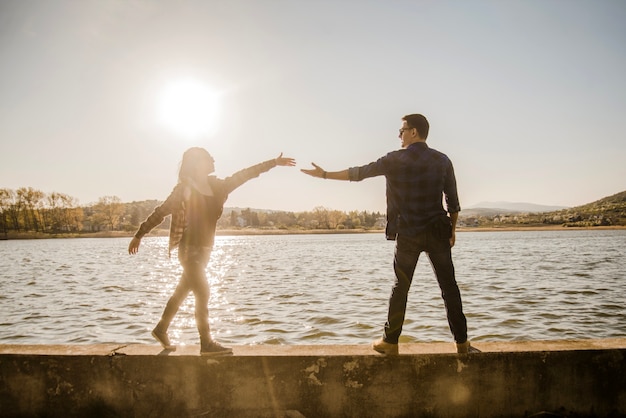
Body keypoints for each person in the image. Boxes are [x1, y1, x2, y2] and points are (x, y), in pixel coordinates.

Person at [302, 114, 475, 354]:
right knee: (449, 288)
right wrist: (453, 231)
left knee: (401, 287)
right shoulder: (442, 160)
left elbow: (359, 173)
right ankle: (462, 344)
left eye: (402, 130)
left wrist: (325, 175)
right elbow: (453, 201)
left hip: (408, 232)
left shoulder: (394, 160)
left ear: (414, 132)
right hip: (437, 231)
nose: (399, 134)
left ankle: (390, 342)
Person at [129, 148, 295, 355]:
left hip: (206, 251)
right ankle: (206, 343)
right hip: (188, 251)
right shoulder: (183, 190)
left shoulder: (219, 187)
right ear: (196, 163)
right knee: (203, 291)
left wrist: (273, 162)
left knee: (182, 291)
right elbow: (160, 212)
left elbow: (246, 174)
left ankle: (161, 329)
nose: (213, 159)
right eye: (208, 158)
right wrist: (139, 234)